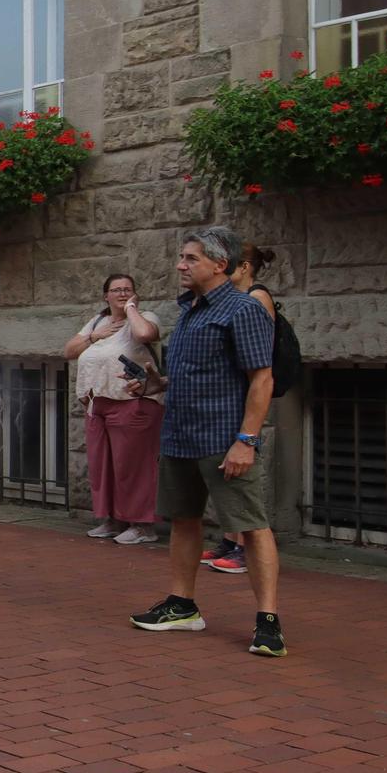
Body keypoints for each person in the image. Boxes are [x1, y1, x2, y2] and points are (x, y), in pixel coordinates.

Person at [128, 226, 285, 657]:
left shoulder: (243, 309)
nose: (181, 265)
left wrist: (246, 440)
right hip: (180, 435)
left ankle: (268, 622)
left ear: (220, 264)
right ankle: (182, 606)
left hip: (223, 438)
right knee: (184, 519)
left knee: (251, 527)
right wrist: (154, 384)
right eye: (182, 258)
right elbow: (197, 374)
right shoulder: (190, 310)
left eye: (190, 259)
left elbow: (262, 378)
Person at [65, 273, 163, 544]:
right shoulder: (97, 321)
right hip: (97, 404)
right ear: (105, 295)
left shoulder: (145, 318)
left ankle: (142, 525)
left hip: (132, 403)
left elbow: (145, 334)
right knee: (103, 466)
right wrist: (94, 336)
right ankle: (113, 519)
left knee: (133, 467)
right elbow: (69, 351)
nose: (121, 294)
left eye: (127, 290)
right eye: (116, 290)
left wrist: (131, 308)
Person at [202, 245, 280, 573]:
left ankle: (243, 547)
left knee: (242, 474)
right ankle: (231, 540)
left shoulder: (256, 298)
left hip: (248, 397)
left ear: (244, 266)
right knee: (226, 472)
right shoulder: (234, 299)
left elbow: (259, 359)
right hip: (233, 397)